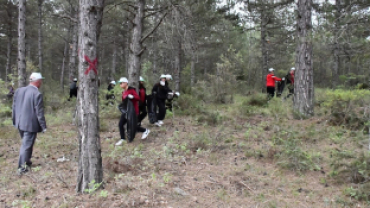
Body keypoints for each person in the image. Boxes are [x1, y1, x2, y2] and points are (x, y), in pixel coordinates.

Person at [12, 72, 47, 174]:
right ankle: (22, 169)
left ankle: (27, 162)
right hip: (30, 124)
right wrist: (43, 126)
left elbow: (14, 107)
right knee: (26, 146)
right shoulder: (37, 94)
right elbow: (39, 112)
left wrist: (14, 120)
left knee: (27, 144)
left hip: (19, 123)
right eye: (41, 81)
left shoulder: (19, 91)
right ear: (38, 81)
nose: (41, 83)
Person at [115, 77, 150, 146]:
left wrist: (133, 97)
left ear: (125, 83)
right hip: (126, 112)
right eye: (120, 83)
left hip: (133, 112)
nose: (120, 84)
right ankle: (122, 139)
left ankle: (145, 130)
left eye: (121, 83)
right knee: (121, 124)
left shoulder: (131, 90)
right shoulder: (124, 92)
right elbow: (124, 102)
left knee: (132, 126)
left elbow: (138, 98)